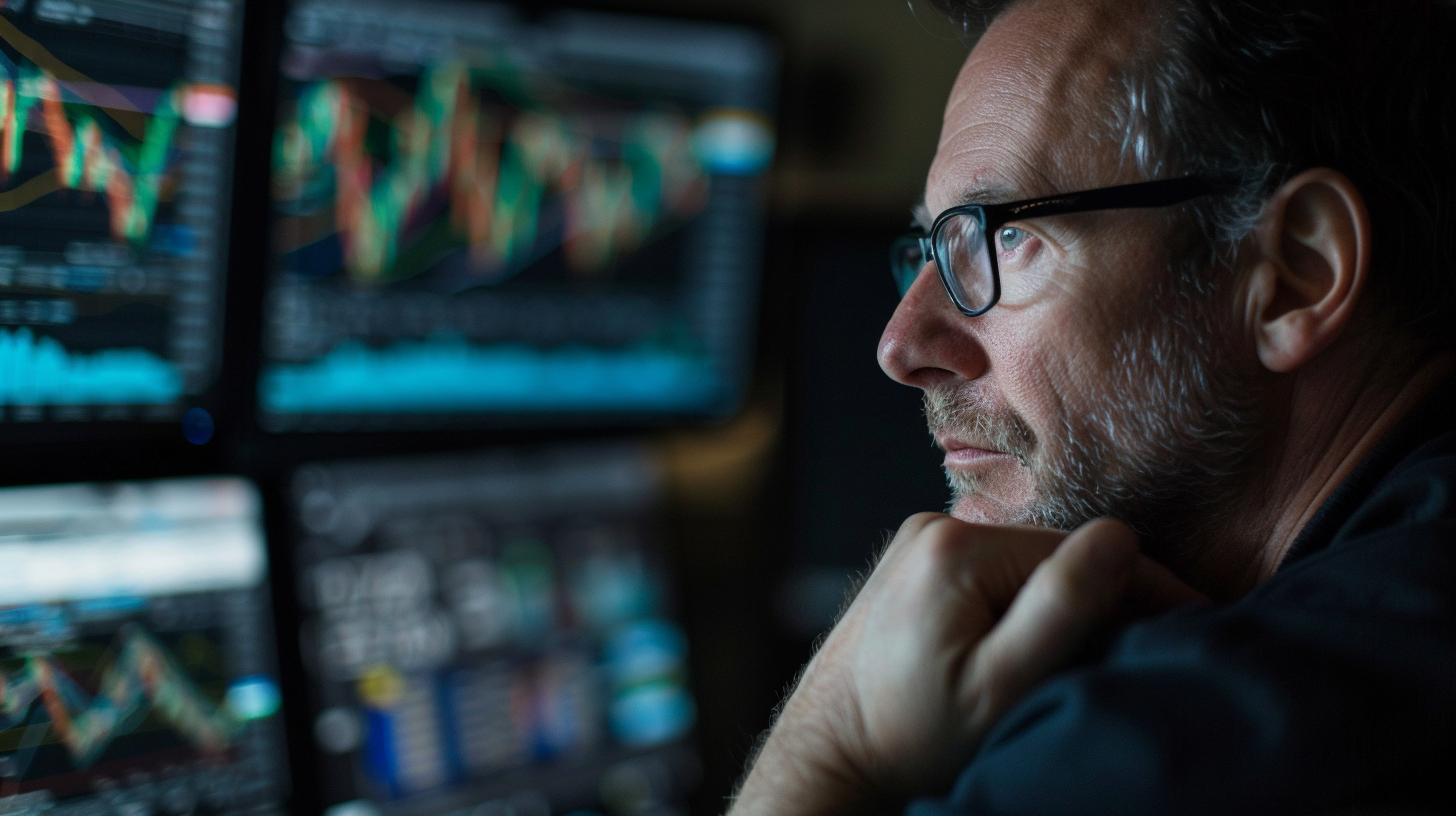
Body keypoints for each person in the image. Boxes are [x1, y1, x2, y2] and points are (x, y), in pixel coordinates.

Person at [729, 0, 1456, 813]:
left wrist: (837, 739)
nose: (900, 347)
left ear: (1296, 272)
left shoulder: (1175, 748)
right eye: (932, 248)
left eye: (1003, 236)